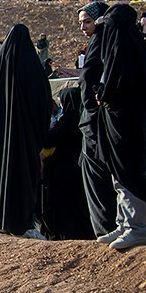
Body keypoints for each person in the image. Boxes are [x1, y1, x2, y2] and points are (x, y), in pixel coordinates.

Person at [0, 24, 51, 237]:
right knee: (23, 180)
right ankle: (21, 222)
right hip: (24, 140)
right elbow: (42, 105)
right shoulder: (31, 68)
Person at [93, 4, 146, 250]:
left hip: (128, 123)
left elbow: (120, 84)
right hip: (117, 121)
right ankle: (124, 222)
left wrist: (104, 94)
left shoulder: (126, 49)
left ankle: (138, 227)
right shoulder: (124, 47)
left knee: (128, 170)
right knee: (118, 171)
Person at [77, 1, 118, 238]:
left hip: (97, 120)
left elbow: (91, 78)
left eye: (88, 21)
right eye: (80, 22)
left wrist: (93, 103)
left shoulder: (103, 40)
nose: (83, 26)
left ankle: (107, 228)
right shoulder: (98, 40)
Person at [40, 87, 94, 240]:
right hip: (79, 167)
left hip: (63, 172)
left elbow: (50, 139)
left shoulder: (67, 120)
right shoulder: (83, 118)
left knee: (65, 207)